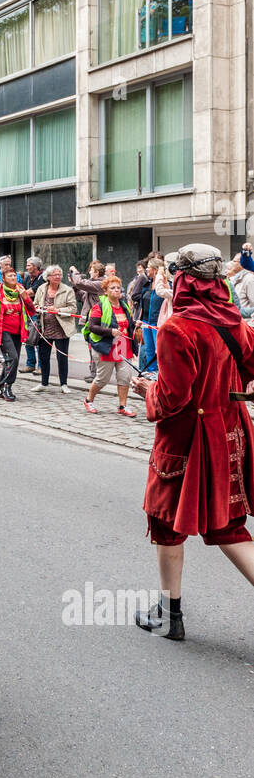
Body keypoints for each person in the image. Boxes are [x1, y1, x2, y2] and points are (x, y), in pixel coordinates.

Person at [130, 244, 254, 641]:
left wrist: (146, 390)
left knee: (166, 525)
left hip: (184, 442)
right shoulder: (235, 321)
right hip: (230, 435)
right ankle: (169, 614)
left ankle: (170, 616)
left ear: (184, 281)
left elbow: (173, 399)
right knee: (231, 528)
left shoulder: (177, 328)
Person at [82, 274, 138, 417]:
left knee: (125, 377)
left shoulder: (124, 306)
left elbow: (127, 324)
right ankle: (89, 400)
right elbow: (92, 327)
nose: (116, 290)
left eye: (118, 288)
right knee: (103, 378)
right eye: (112, 288)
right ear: (105, 291)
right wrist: (110, 331)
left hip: (124, 347)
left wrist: (134, 324)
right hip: (106, 347)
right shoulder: (99, 306)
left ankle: (122, 406)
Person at [0, 266, 36, 401]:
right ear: (3, 279)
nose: (13, 278)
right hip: (2, 330)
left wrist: (25, 297)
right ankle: (7, 387)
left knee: (11, 361)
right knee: (14, 359)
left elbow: (32, 311)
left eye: (14, 275)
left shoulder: (21, 290)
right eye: (10, 276)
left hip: (18, 331)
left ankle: (0, 384)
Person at [32, 265, 77, 391]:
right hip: (44, 328)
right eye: (55, 275)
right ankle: (44, 383)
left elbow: (73, 308)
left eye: (59, 274)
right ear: (48, 277)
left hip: (61, 328)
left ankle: (64, 384)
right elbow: (34, 305)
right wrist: (39, 309)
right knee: (43, 356)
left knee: (62, 357)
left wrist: (57, 310)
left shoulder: (67, 290)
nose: (58, 277)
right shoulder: (41, 288)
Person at [20, 257, 44, 372]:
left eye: (29, 265)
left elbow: (31, 292)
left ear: (35, 266)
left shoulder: (42, 278)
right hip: (27, 311)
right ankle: (30, 364)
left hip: (37, 312)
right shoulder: (27, 278)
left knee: (38, 339)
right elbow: (23, 291)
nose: (26, 267)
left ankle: (40, 366)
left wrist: (23, 293)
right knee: (27, 338)